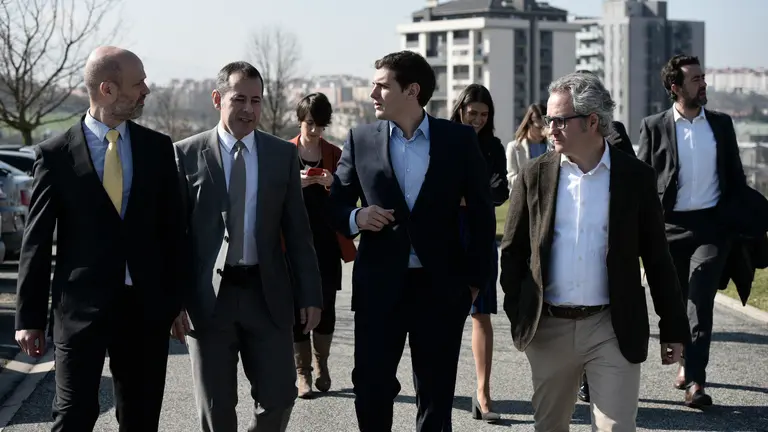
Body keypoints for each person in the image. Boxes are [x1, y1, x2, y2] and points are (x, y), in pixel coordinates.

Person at [500, 71, 690, 431]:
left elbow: (657, 258)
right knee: (550, 426)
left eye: (559, 120)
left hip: (612, 328)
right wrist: (520, 314)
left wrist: (673, 327)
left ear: (591, 121)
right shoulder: (533, 175)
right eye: (548, 119)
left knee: (616, 427)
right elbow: (513, 252)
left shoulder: (635, 177)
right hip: (549, 328)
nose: (550, 129)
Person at [14, 46, 185, 432]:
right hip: (79, 313)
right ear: (107, 89)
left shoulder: (157, 149)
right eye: (138, 83)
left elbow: (172, 232)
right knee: (72, 418)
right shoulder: (55, 155)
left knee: (140, 421)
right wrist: (29, 319)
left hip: (145, 312)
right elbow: (36, 242)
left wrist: (176, 302)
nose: (146, 90)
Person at [328, 50, 496, 431]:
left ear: (412, 90)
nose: (373, 93)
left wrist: (473, 283)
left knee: (436, 399)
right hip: (378, 289)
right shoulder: (359, 139)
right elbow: (335, 204)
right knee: (371, 390)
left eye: (382, 86)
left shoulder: (458, 140)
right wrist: (357, 217)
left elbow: (483, 215)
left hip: (441, 290)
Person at [171, 61, 323, 432]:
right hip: (208, 302)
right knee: (216, 408)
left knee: (280, 396)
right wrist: (173, 301)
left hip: (266, 295)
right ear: (217, 99)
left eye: (256, 101)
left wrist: (311, 295)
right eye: (239, 99)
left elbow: (298, 232)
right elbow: (173, 236)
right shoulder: (185, 154)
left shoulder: (280, 155)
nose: (248, 109)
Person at [637, 54, 763, 408]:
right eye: (695, 79)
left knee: (701, 300)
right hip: (669, 228)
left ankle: (695, 381)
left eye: (703, 77)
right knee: (676, 302)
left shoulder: (721, 124)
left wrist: (748, 217)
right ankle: (683, 358)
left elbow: (735, 176)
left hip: (712, 228)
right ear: (675, 87)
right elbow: (644, 180)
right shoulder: (654, 126)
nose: (703, 84)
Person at [288, 92, 357, 398]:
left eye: (320, 125)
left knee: (326, 306)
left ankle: (321, 364)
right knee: (296, 307)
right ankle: (302, 372)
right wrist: (295, 183)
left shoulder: (335, 154)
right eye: (310, 124)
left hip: (327, 243)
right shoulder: (285, 152)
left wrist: (332, 183)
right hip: (293, 243)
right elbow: (271, 196)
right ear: (300, 121)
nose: (315, 130)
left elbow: (349, 197)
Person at [448, 83, 507, 423]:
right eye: (473, 113)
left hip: (481, 236)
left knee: (481, 313)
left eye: (485, 115)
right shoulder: (441, 140)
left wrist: (466, 196)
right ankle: (439, 385)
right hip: (446, 235)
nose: (478, 120)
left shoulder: (493, 146)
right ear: (461, 110)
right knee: (442, 313)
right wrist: (475, 195)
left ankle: (483, 393)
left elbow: (500, 191)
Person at [506, 103, 549, 190]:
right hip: (524, 196)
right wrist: (530, 176)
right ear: (529, 123)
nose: (543, 132)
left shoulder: (552, 147)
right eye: (539, 127)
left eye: (545, 128)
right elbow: (510, 180)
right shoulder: (514, 147)